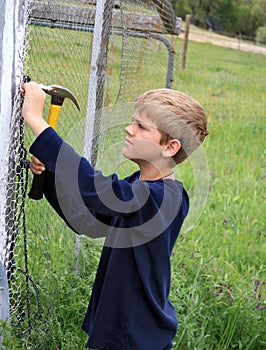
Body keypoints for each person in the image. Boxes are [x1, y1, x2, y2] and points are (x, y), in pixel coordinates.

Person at [21, 82, 208, 350]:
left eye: (142, 127)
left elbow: (92, 186)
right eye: (133, 121)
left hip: (135, 333)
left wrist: (37, 121)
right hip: (120, 327)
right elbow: (86, 220)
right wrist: (49, 173)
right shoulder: (140, 187)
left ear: (170, 147)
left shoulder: (163, 199)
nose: (128, 129)